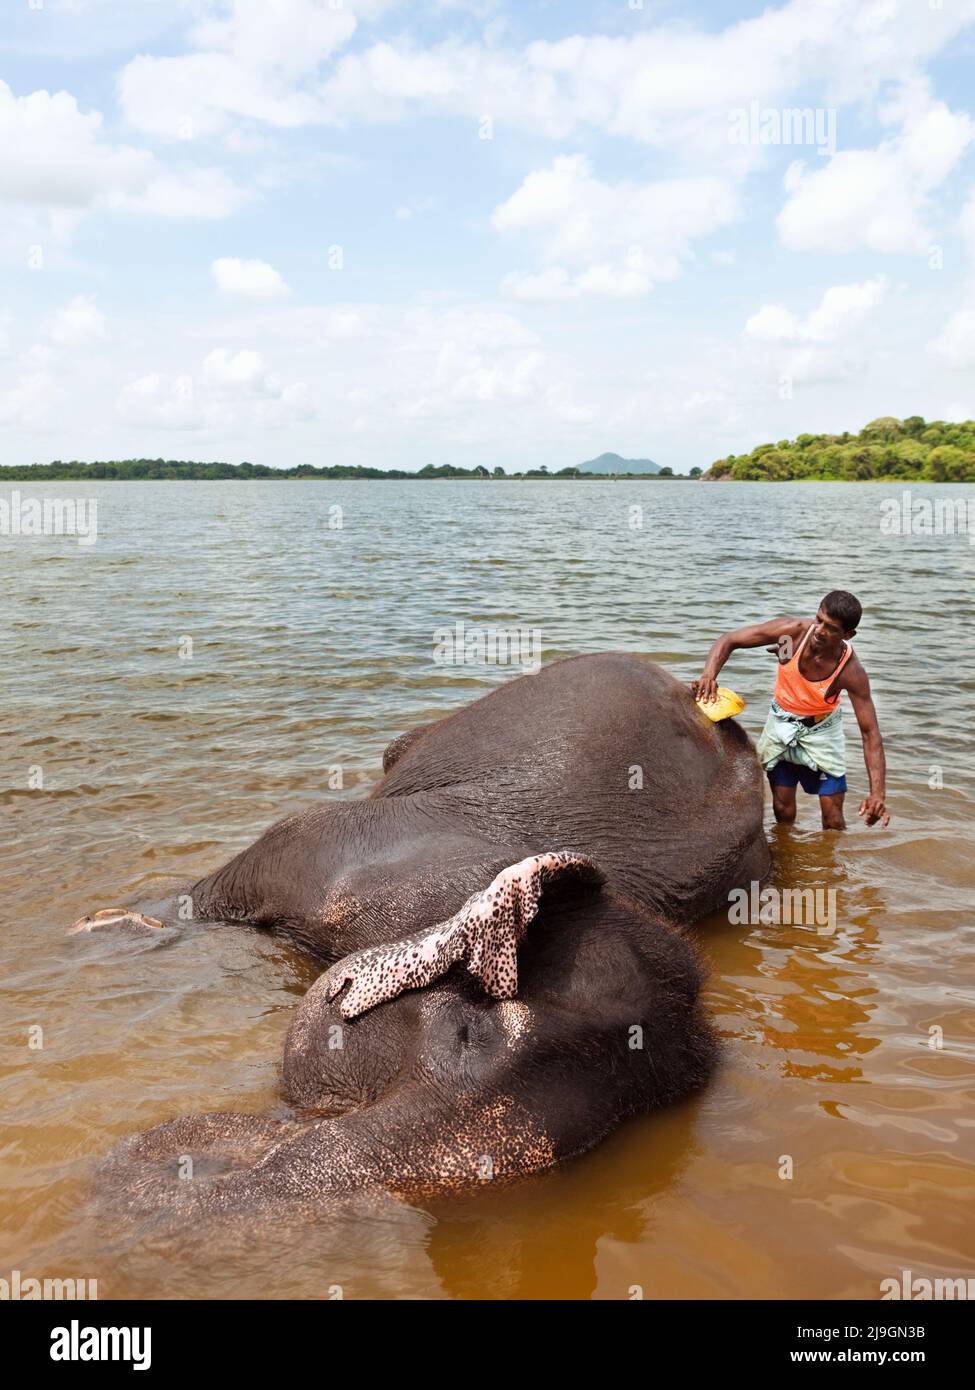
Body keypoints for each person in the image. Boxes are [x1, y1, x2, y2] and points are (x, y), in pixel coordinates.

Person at [691, 591, 889, 831]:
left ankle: (832, 866)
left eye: (831, 628)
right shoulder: (792, 632)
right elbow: (729, 639)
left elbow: (870, 734)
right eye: (819, 620)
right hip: (781, 723)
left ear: (848, 635)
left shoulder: (851, 671)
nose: (819, 630)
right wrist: (709, 675)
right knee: (783, 811)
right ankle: (790, 860)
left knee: (833, 817)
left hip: (822, 730)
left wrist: (877, 794)